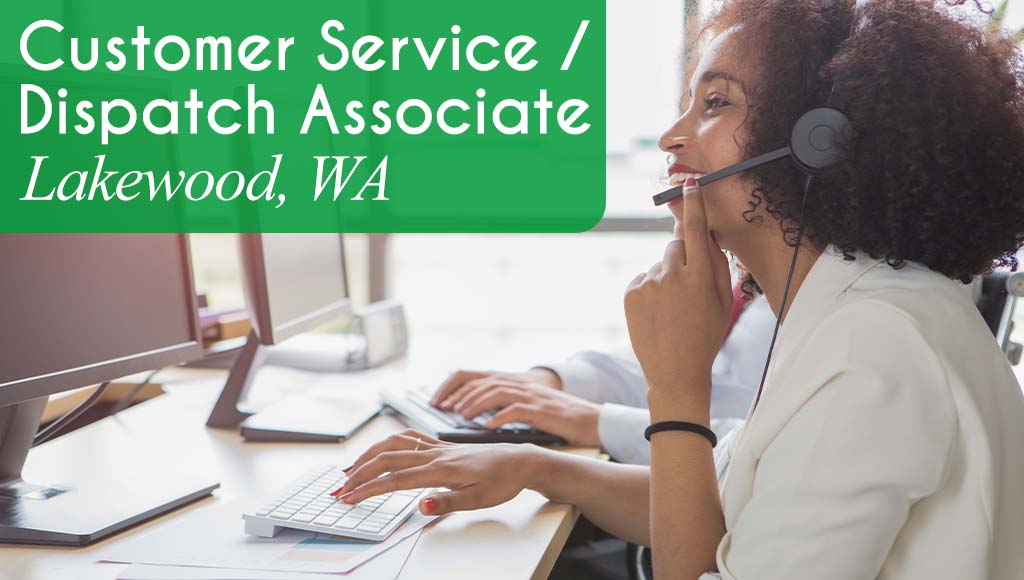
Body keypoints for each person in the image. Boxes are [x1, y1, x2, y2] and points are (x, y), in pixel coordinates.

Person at [331, 1, 1024, 578]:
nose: (670, 136)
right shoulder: (852, 309)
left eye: (715, 102)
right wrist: (532, 466)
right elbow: (717, 500)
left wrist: (678, 388)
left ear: (818, 142)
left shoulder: (872, 346)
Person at [428, 287, 775, 464]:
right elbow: (700, 371)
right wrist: (551, 382)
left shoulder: (819, 301)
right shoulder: (764, 283)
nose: (668, 144)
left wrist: (593, 421)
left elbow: (760, 451)